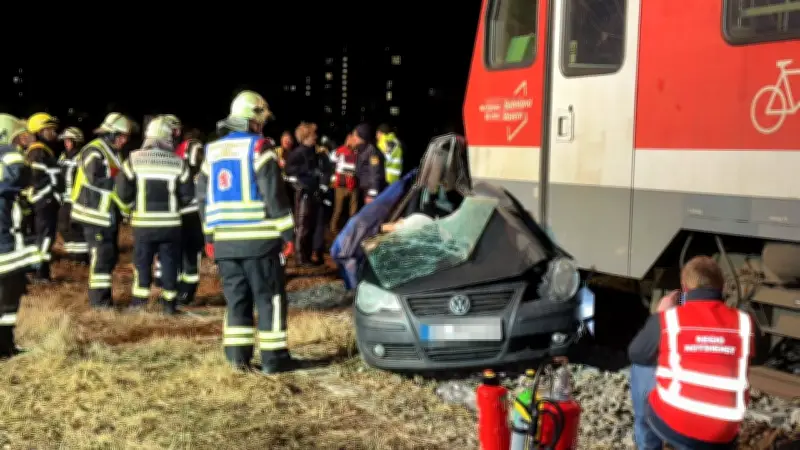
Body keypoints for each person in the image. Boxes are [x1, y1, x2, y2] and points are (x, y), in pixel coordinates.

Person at [196, 90, 297, 373]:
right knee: (269, 298)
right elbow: (273, 194)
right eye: (261, 120)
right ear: (253, 120)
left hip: (225, 244)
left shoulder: (212, 151)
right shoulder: (259, 148)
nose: (263, 126)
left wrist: (209, 237)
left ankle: (237, 358)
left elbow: (202, 198)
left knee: (237, 300)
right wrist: (287, 234)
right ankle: (274, 359)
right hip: (260, 242)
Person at [628, 256, 755, 450]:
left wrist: (659, 316)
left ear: (684, 289)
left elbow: (635, 353)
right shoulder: (744, 322)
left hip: (677, 427)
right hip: (725, 435)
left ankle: (648, 445)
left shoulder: (669, 319)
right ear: (722, 288)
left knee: (641, 366)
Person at [115, 116, 194, 314]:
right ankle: (169, 304)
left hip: (143, 224)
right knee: (169, 263)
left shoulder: (133, 159)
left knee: (142, 262)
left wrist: (130, 208)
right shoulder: (178, 162)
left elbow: (122, 193)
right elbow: (187, 195)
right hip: (171, 225)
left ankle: (139, 302)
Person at [70, 113, 133, 309]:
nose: (124, 140)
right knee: (101, 256)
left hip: (105, 214)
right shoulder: (94, 151)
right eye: (121, 136)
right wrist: (119, 184)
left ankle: (103, 298)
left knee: (109, 256)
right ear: (110, 134)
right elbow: (93, 177)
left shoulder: (113, 152)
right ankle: (100, 302)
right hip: (92, 213)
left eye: (126, 137)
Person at [0, 114, 41, 357]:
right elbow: (21, 173)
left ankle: (5, 345)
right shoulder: (8, 155)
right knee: (8, 292)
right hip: (4, 240)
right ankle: (4, 346)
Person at [24, 113, 64, 283]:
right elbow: (39, 179)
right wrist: (52, 194)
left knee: (43, 236)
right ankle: (40, 273)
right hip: (44, 201)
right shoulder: (38, 152)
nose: (54, 133)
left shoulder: (40, 151)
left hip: (43, 201)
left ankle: (39, 271)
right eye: (50, 130)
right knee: (44, 237)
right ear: (39, 131)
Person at [284, 122, 319, 266]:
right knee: (302, 225)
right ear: (306, 137)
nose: (316, 137)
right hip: (303, 192)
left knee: (309, 225)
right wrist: (306, 172)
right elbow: (288, 169)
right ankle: (300, 257)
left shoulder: (311, 151)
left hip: (311, 191)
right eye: (313, 135)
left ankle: (306, 256)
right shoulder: (299, 153)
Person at [57, 127, 88, 263]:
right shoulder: (63, 156)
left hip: (77, 198)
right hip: (64, 198)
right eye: (65, 140)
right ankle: (73, 254)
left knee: (76, 228)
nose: (66, 143)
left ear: (76, 141)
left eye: (68, 140)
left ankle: (82, 258)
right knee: (63, 227)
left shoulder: (82, 157)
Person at [329, 133, 359, 236]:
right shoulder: (340, 150)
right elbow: (332, 158)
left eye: (354, 139)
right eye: (351, 139)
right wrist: (343, 147)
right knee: (338, 209)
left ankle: (352, 229)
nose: (353, 141)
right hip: (341, 184)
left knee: (353, 210)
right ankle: (333, 228)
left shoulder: (357, 152)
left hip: (353, 183)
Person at [312, 136, 335, 265]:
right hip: (309, 194)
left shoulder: (323, 158)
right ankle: (313, 250)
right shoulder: (306, 156)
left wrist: (323, 188)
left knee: (320, 223)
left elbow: (327, 173)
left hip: (321, 194)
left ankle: (317, 250)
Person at [352, 123, 386, 206]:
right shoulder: (360, 149)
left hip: (369, 190)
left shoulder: (372, 151)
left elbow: (375, 173)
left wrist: (372, 193)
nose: (354, 138)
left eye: (355, 135)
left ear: (362, 136)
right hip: (363, 187)